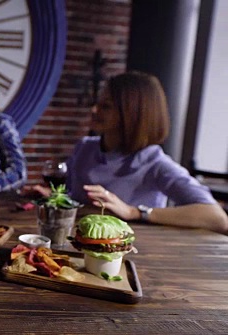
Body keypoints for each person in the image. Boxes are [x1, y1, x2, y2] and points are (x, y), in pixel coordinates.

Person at [52, 71, 227, 234]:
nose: (94, 110)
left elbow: (217, 218)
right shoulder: (85, 147)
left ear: (132, 114)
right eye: (97, 103)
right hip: (77, 240)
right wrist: (52, 196)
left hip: (132, 253)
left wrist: (133, 212)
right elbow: (71, 196)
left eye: (105, 106)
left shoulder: (155, 163)